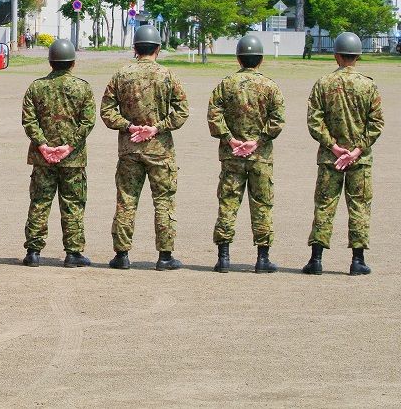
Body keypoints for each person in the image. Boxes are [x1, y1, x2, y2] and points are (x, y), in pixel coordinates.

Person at [100, 24, 189, 270]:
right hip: (160, 150)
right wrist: (157, 127)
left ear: (135, 49)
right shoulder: (167, 75)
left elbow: (106, 111)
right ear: (158, 49)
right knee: (164, 201)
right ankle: (165, 256)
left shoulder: (121, 75)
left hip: (130, 149)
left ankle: (121, 255)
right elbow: (182, 111)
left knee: (126, 200)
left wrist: (129, 126)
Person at [302, 32, 384, 276]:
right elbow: (376, 123)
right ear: (358, 56)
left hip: (330, 158)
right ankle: (358, 261)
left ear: (336, 55)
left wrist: (334, 147)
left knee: (325, 205)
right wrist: (357, 150)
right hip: (360, 159)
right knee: (359, 206)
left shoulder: (323, 84)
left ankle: (316, 260)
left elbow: (314, 121)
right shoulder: (368, 85)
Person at [207, 35, 285, 274]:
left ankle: (223, 257)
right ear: (260, 59)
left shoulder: (225, 85)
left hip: (232, 155)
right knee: (262, 205)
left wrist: (230, 139)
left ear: (238, 58)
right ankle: (262, 258)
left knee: (228, 204)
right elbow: (278, 120)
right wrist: (257, 141)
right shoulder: (270, 86)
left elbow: (214, 115)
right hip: (260, 156)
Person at [21, 39, 95, 267]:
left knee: (40, 202)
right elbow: (87, 121)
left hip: (42, 158)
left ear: (51, 61)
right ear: (73, 62)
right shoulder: (83, 87)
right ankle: (73, 253)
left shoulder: (36, 87)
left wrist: (43, 145)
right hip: (72, 160)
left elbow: (29, 120)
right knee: (73, 203)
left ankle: (33, 252)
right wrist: (69, 146)